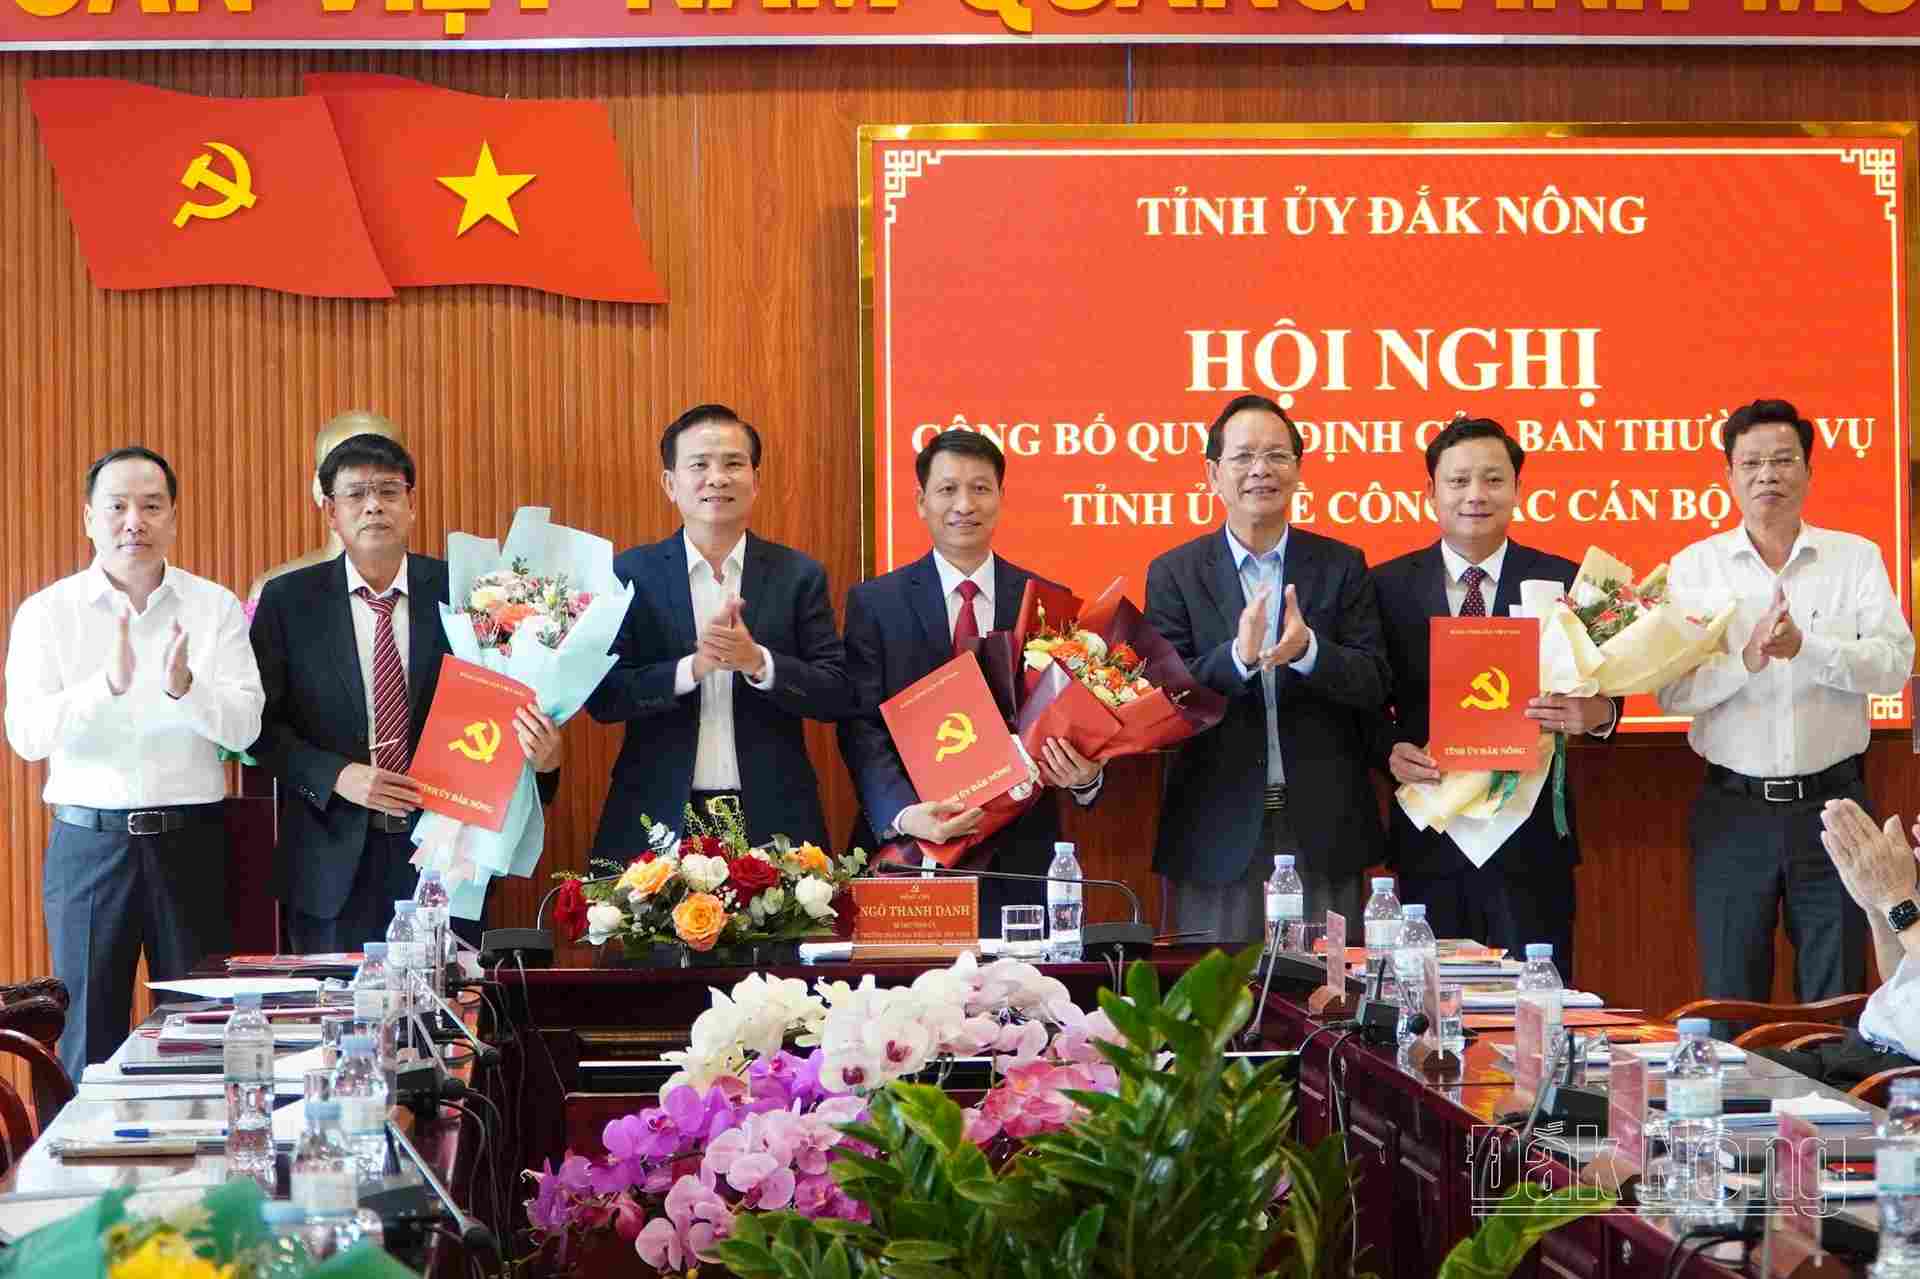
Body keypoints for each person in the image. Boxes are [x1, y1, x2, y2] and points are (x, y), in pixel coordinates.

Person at [4, 447, 265, 1081]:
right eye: (117, 506)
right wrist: (104, 685)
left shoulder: (213, 607)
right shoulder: (47, 613)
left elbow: (246, 724)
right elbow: (27, 735)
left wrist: (187, 688)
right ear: (89, 518)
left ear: (173, 517)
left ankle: (205, 1179)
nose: (134, 521)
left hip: (192, 843)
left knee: (202, 1032)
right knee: (86, 1037)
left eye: (151, 506)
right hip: (90, 848)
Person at [249, 432, 560, 952]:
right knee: (336, 1022)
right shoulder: (288, 601)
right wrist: (336, 776)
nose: (374, 505)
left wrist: (544, 761)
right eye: (356, 494)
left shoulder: (468, 594)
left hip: (448, 855)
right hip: (332, 858)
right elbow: (259, 730)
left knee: (449, 1021)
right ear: (331, 511)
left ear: (411, 504)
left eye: (389, 491)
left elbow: (513, 703)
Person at [1656, 399, 1913, 1014]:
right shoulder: (1696, 567)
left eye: (1782, 460)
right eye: (1751, 463)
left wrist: (1808, 648)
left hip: (1836, 809)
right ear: (1729, 476)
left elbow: (1893, 665)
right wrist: (1746, 659)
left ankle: (1832, 1111)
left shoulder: (1855, 559)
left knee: (1837, 998)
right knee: (1728, 996)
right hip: (1732, 809)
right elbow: (1670, 693)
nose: (1767, 474)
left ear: (1808, 472)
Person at [1371, 418, 1618, 979]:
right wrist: (1386, 749)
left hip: (1529, 843)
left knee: (1537, 1007)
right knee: (1426, 1004)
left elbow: (1610, 696)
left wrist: (1592, 715)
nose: (1476, 495)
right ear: (1429, 492)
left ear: (1516, 489)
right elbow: (1363, 702)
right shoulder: (1384, 586)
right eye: (1458, 481)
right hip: (1431, 832)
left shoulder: (1561, 581)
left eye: (1492, 479)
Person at [1145, 394, 1390, 942]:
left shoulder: (1341, 565)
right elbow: (1166, 700)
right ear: (1213, 473)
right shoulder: (1174, 573)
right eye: (1244, 456)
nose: (1261, 469)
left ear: (1298, 471)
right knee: (1211, 1016)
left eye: (1277, 455)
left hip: (1323, 829)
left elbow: (1375, 681)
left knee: (1330, 1012)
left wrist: (1309, 653)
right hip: (1215, 831)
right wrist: (1237, 658)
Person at [838, 429, 1103, 919]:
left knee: (1021, 993)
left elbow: (1073, 720)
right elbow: (859, 724)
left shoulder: (1044, 601)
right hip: (915, 849)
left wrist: (1087, 776)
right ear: (921, 501)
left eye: (980, 488)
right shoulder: (875, 603)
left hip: (1021, 854)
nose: (964, 504)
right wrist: (904, 814)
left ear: (1001, 499)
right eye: (947, 489)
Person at [586, 404, 848, 851]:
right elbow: (605, 698)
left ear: (755, 479)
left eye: (733, 464)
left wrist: (758, 662)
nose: (717, 477)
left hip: (774, 814)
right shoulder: (631, 575)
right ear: (671, 483)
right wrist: (693, 668)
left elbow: (837, 692)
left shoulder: (798, 575)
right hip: (658, 811)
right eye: (699, 465)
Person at [1750, 798, 1920, 1085]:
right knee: (1711, 1080)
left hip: (1900, 1081)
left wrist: (1895, 898)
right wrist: (1875, 906)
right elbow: (1899, 978)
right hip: (1859, 1053)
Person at [247, 410, 405, 605]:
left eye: (387, 487)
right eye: (354, 489)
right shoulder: (275, 591)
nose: (373, 505)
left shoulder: (444, 587)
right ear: (319, 489)